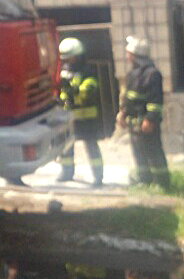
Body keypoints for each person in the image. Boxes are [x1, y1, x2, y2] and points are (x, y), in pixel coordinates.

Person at [116, 35, 170, 189]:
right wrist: (123, 114)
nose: (127, 56)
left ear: (134, 55)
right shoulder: (132, 74)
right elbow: (128, 98)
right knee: (138, 152)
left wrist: (150, 119)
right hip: (134, 121)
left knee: (154, 152)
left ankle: (163, 183)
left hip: (146, 122)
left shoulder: (152, 74)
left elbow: (155, 100)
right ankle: (144, 180)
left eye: (128, 53)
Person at [56, 37, 104, 186]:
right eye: (65, 59)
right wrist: (62, 97)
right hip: (68, 116)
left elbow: (89, 92)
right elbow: (62, 93)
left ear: (78, 56)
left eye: (70, 58)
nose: (67, 61)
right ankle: (66, 172)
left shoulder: (88, 71)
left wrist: (73, 91)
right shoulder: (64, 71)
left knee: (91, 146)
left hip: (86, 117)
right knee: (65, 146)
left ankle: (98, 176)